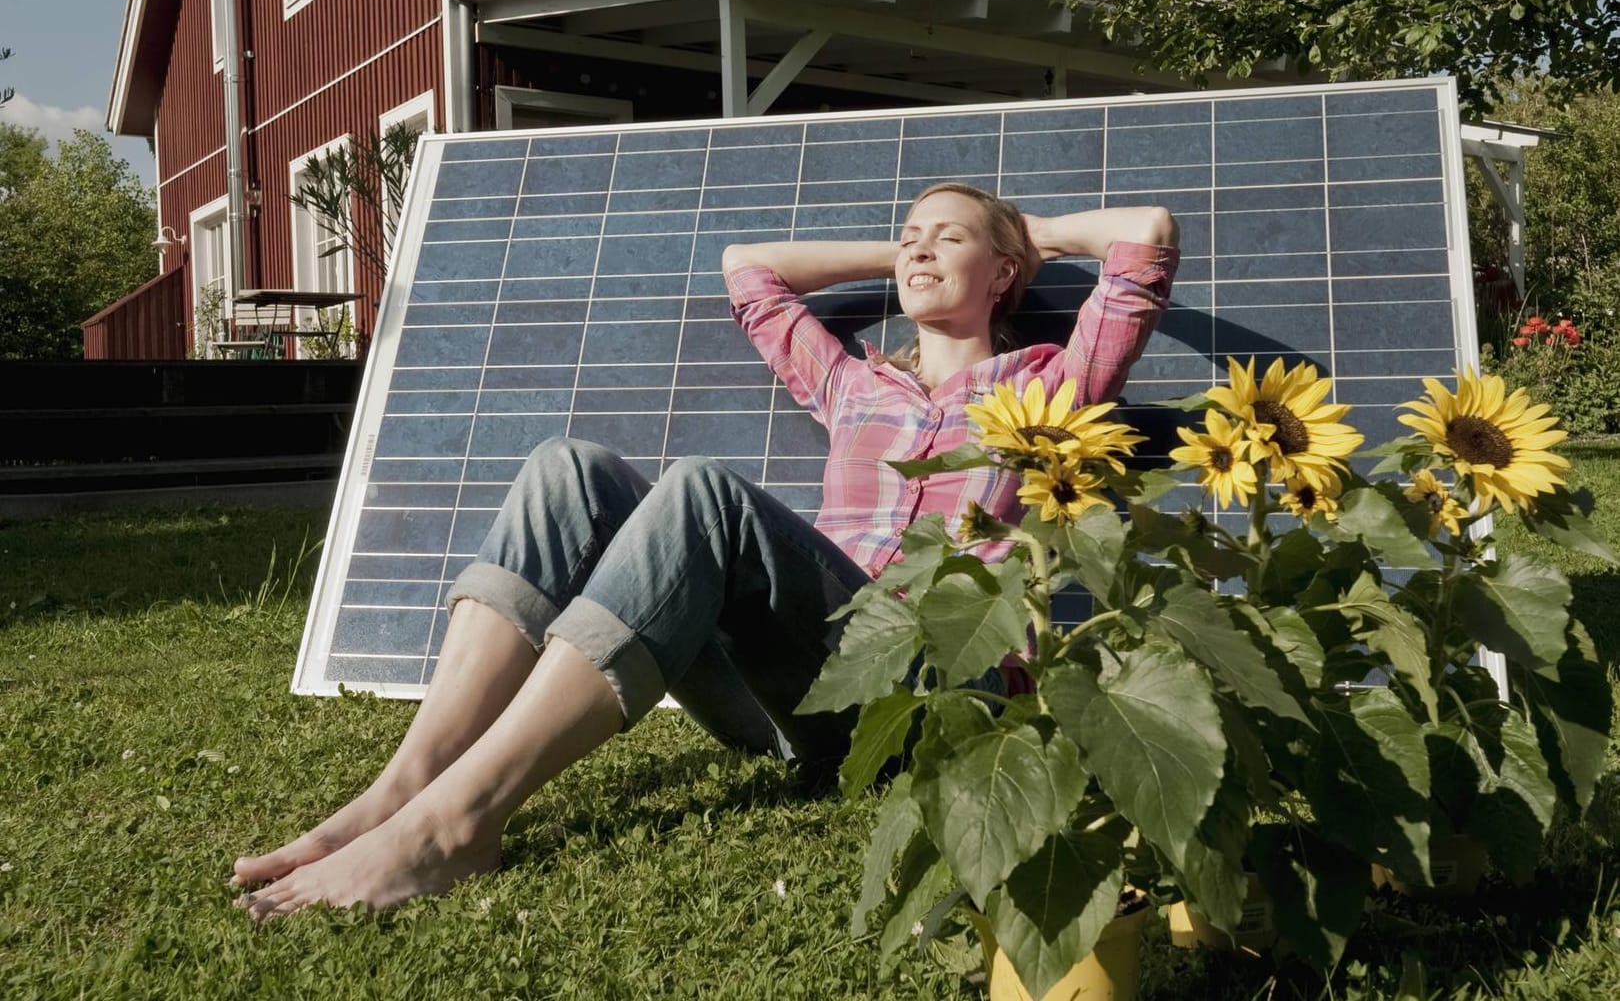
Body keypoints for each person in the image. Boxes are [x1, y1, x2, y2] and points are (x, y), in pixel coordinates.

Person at [231, 182, 1179, 920]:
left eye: (948, 237)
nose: (919, 246)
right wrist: (916, 252)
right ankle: (405, 788)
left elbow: (1144, 236)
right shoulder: (856, 387)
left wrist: (1024, 229)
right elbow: (749, 269)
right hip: (790, 691)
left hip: (929, 695)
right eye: (908, 235)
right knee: (570, 469)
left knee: (703, 494)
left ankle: (458, 823)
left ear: (1006, 275)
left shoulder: (1059, 382)